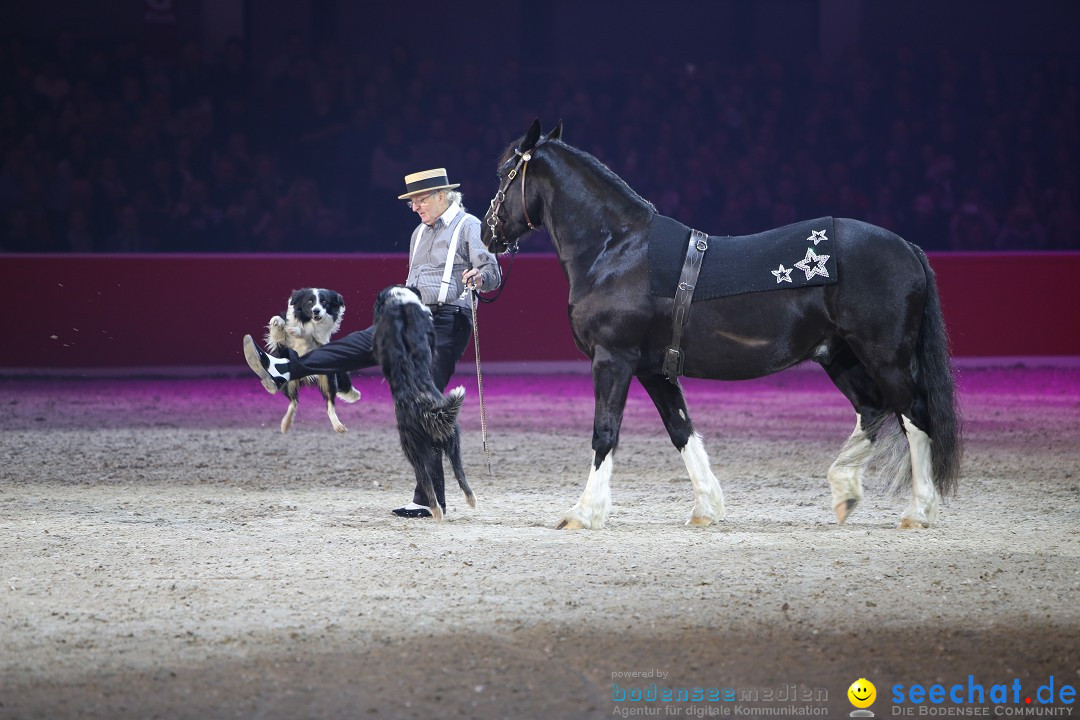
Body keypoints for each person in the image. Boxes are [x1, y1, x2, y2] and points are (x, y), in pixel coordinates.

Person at [242, 168, 502, 517]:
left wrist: (479, 276)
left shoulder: (469, 225)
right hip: (408, 315)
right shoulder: (417, 235)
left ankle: (426, 500)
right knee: (355, 345)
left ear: (442, 195)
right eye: (411, 201)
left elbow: (493, 271)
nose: (414, 207)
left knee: (419, 402)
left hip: (444, 322)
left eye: (419, 200)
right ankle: (283, 369)